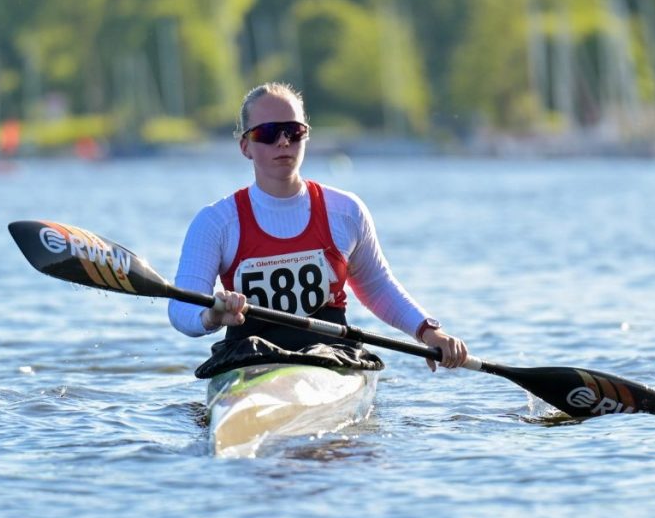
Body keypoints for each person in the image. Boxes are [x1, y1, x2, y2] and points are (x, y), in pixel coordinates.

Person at [168, 82, 468, 372]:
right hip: (249, 359)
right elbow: (181, 310)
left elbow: (378, 288)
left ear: (305, 136)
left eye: (293, 131)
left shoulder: (345, 211)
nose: (283, 142)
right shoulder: (216, 222)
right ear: (245, 146)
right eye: (267, 133)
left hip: (332, 357)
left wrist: (429, 332)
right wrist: (212, 316)